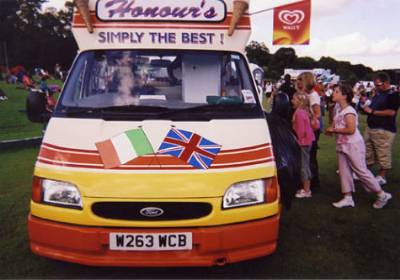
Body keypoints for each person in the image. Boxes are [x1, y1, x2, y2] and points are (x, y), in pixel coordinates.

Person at [325, 84, 391, 209]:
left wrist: (333, 130)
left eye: (336, 92)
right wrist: (331, 128)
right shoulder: (339, 109)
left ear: (344, 96)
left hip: (353, 145)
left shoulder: (350, 111)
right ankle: (347, 197)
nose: (333, 93)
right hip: (342, 145)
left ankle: (382, 195)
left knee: (361, 171)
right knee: (344, 171)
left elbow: (350, 130)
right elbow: (335, 123)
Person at [362, 72, 400, 185]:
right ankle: (365, 172)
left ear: (386, 83)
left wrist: (372, 111)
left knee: (383, 153)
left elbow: (391, 112)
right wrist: (367, 108)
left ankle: (382, 176)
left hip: (384, 129)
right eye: (375, 85)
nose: (377, 87)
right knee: (367, 151)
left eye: (378, 84)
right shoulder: (378, 94)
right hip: (372, 127)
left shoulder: (393, 95)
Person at [296, 72, 321, 191]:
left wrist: (306, 115)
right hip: (307, 129)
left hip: (310, 130)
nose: (298, 82)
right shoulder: (307, 94)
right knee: (307, 157)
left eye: (301, 79)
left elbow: (318, 114)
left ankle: (312, 183)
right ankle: (309, 182)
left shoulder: (313, 96)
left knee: (309, 157)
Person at [291, 93, 315, 198]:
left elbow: (300, 132)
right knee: (305, 164)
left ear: (299, 101)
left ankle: (306, 190)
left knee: (303, 166)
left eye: (294, 99)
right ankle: (307, 188)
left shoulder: (299, 113)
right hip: (307, 142)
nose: (292, 101)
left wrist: (296, 141)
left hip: (303, 143)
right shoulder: (305, 112)